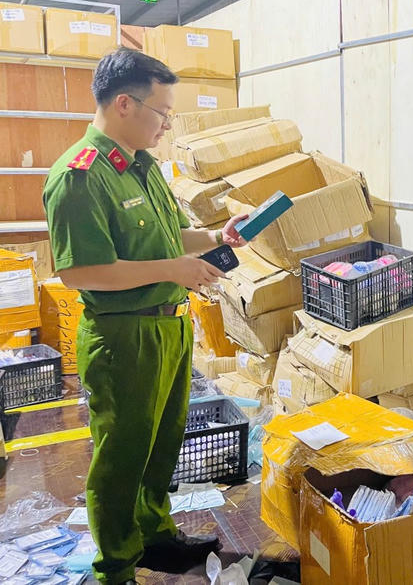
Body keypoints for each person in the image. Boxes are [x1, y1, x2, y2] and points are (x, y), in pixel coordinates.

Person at [43, 48, 251, 585]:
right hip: (124, 336)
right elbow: (80, 272)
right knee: (123, 454)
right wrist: (174, 269)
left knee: (162, 442)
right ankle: (115, 567)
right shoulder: (80, 177)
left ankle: (153, 535)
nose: (167, 125)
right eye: (163, 112)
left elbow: (169, 236)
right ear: (123, 104)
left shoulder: (141, 166)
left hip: (168, 325)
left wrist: (216, 236)